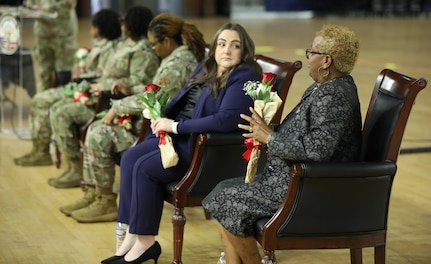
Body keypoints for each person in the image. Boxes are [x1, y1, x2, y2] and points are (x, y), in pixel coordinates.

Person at [100, 22, 261, 264]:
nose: (226, 51)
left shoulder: (245, 75)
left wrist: (174, 126)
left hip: (203, 150)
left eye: (235, 46)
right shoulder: (208, 67)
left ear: (244, 50)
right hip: (181, 136)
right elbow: (184, 101)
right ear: (214, 48)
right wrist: (160, 116)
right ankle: (132, 234)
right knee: (130, 158)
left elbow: (226, 120)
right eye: (222, 44)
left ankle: (145, 243)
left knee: (145, 169)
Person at [202, 24, 362, 264]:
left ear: (326, 60)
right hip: (290, 180)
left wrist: (270, 137)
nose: (308, 58)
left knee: (227, 200)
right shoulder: (323, 87)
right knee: (222, 192)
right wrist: (266, 130)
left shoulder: (334, 96)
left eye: (312, 53)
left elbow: (318, 149)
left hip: (310, 188)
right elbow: (300, 132)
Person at [60, 13, 207, 223]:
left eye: (154, 44)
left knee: (99, 133)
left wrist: (118, 106)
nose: (153, 49)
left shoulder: (178, 64)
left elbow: (156, 99)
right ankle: (94, 194)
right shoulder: (175, 57)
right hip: (154, 122)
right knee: (97, 129)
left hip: (157, 129)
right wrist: (131, 88)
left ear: (166, 40)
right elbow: (155, 90)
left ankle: (106, 201)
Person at [48, 6, 160, 188]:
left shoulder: (143, 51)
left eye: (125, 21)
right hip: (103, 95)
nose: (122, 25)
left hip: (113, 101)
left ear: (132, 24)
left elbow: (138, 81)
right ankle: (73, 168)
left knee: (61, 114)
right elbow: (106, 73)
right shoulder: (124, 44)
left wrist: (106, 86)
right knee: (57, 109)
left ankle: (78, 172)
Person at [13, 8, 122, 167]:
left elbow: (103, 77)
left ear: (98, 28)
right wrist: (79, 73)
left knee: (43, 101)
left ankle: (46, 153)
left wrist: (81, 78)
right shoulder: (101, 46)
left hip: (88, 92)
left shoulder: (112, 50)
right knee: (40, 99)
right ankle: (40, 150)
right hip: (81, 87)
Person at [24, 0, 78, 92]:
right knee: (44, 73)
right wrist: (31, 8)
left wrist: (45, 9)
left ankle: (63, 102)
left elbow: (70, 3)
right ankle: (44, 101)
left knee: (64, 74)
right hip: (43, 34)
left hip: (63, 34)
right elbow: (28, 3)